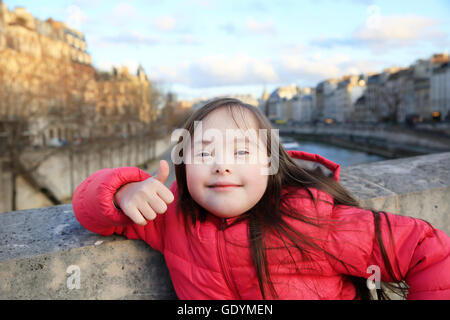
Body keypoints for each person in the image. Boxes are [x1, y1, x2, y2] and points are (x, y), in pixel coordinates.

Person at [72, 98, 450, 300]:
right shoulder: (171, 218)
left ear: (270, 163)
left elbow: (427, 250)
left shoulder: (311, 220)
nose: (221, 166)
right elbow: (90, 209)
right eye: (204, 154)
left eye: (240, 153)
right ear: (184, 165)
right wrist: (123, 192)